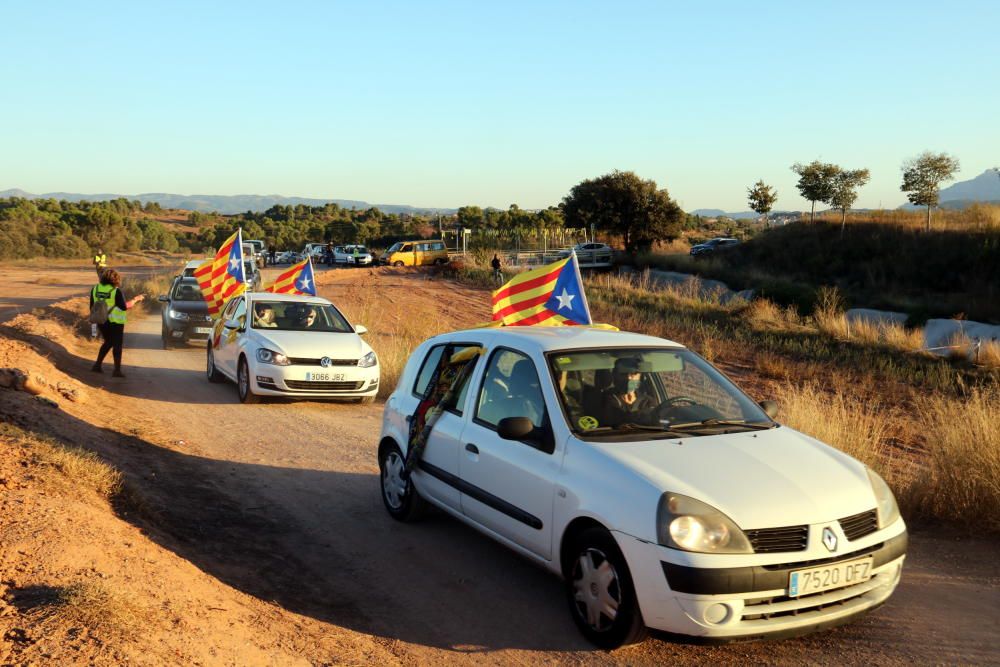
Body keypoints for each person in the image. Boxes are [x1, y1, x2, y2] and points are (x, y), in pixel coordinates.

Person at [90, 268, 144, 378]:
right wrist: (135, 299)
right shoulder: (116, 291)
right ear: (116, 279)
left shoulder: (95, 289)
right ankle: (117, 370)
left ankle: (97, 365)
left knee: (108, 342)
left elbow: (92, 306)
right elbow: (124, 307)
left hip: (101, 320)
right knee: (117, 345)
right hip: (115, 322)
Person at [597, 357, 658, 427]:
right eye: (623, 374)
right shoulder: (605, 399)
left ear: (640, 378)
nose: (628, 378)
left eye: (633, 374)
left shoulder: (648, 401)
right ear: (614, 376)